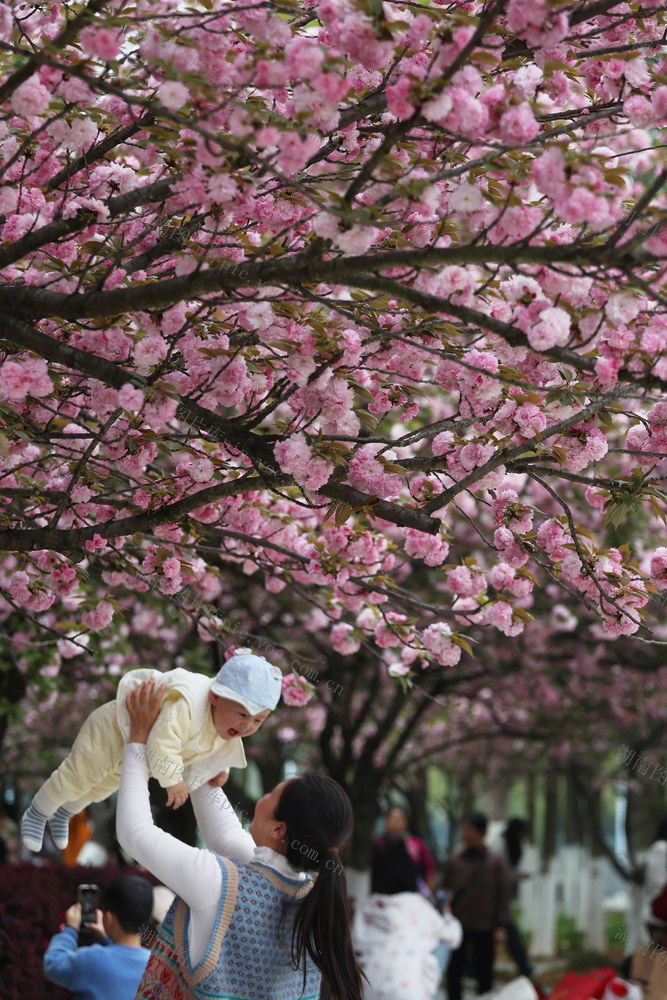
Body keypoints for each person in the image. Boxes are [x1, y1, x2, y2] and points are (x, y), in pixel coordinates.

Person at [116, 679, 365, 1000]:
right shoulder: (312, 891)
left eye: (271, 795)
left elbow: (134, 833)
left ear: (279, 830)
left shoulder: (219, 883)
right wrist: (202, 764)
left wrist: (138, 740)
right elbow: (227, 837)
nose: (262, 798)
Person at [21, 647, 282, 853]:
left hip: (131, 756)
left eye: (258, 720)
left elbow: (212, 750)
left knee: (98, 789)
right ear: (215, 696)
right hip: (112, 732)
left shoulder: (226, 726)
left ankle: (64, 812)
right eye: (242, 714)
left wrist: (218, 770)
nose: (247, 725)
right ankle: (37, 812)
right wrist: (173, 780)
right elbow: (161, 742)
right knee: (76, 777)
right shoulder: (188, 704)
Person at [352, 835, 462, 1000]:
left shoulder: (368, 907)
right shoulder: (418, 905)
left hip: (367, 991)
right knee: (443, 941)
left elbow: (355, 944)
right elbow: (454, 936)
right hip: (409, 992)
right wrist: (447, 915)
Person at [43, 874, 153, 1000]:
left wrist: (70, 930)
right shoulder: (156, 968)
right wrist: (107, 939)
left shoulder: (92, 959)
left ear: (109, 918)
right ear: (148, 919)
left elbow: (53, 963)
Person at [441, 811, 510, 1000]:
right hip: (458, 925)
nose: (465, 833)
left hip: (485, 925)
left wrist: (501, 926)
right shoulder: (455, 859)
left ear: (482, 832)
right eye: (463, 829)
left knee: (484, 973)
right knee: (454, 972)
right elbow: (445, 889)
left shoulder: (495, 861)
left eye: (469, 829)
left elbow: (503, 895)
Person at [497, 818, 534, 979]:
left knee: (509, 933)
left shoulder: (507, 844)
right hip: (494, 898)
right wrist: (515, 876)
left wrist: (516, 876)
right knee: (509, 933)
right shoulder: (499, 845)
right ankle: (524, 967)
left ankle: (524, 966)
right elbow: (500, 874)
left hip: (500, 896)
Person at [378, 804, 438, 895]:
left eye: (400, 819)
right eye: (392, 818)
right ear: (386, 822)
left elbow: (430, 871)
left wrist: (425, 895)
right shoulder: (378, 844)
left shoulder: (416, 844)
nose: (396, 822)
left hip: (410, 897)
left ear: (406, 823)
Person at [640, 815, 667, 947]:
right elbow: (657, 883)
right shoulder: (660, 849)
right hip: (658, 917)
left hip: (659, 915)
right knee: (660, 956)